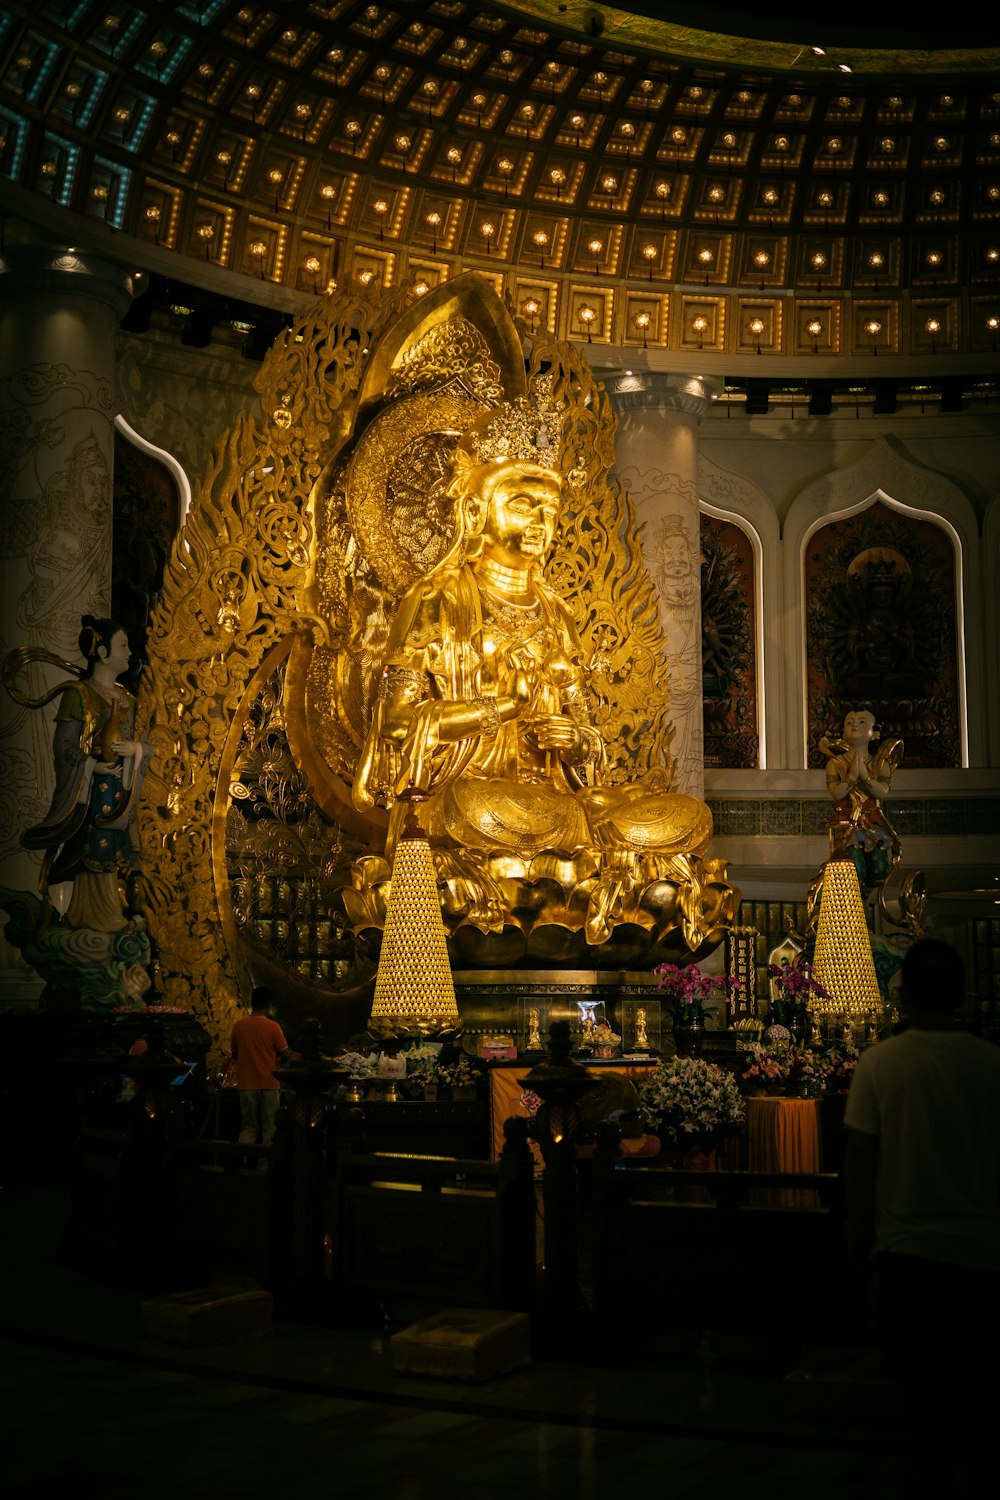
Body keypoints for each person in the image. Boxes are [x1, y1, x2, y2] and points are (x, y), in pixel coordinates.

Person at [352, 424, 714, 944]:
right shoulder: (437, 599)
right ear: (476, 515)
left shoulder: (556, 614)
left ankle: (586, 863)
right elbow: (396, 725)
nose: (542, 522)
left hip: (558, 803)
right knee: (481, 811)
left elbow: (589, 746)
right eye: (523, 506)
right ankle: (588, 878)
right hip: (469, 796)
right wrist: (500, 707)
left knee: (686, 815)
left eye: (549, 511)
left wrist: (573, 741)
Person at [845, 939, 1000, 1489]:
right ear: (961, 995)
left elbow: (859, 1164)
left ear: (903, 995)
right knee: (974, 1392)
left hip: (907, 1253)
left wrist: (856, 1239)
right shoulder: (991, 1064)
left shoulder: (879, 1062)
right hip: (983, 1253)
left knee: (918, 1397)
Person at [18, 616, 148, 932]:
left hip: (124, 791)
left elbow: (148, 743)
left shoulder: (129, 699)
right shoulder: (79, 694)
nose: (130, 652)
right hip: (91, 792)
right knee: (94, 851)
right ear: (102, 652)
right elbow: (64, 746)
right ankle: (92, 916)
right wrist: (91, 765)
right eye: (122, 645)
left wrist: (136, 750)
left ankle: (112, 911)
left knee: (119, 854)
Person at [230, 986, 289, 1147]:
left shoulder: (239, 1026)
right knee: (270, 1129)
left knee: (249, 1128)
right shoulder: (273, 1026)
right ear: (268, 1004)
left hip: (247, 1085)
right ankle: (265, 1168)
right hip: (269, 1084)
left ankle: (241, 1165)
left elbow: (234, 1055)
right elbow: (285, 1053)